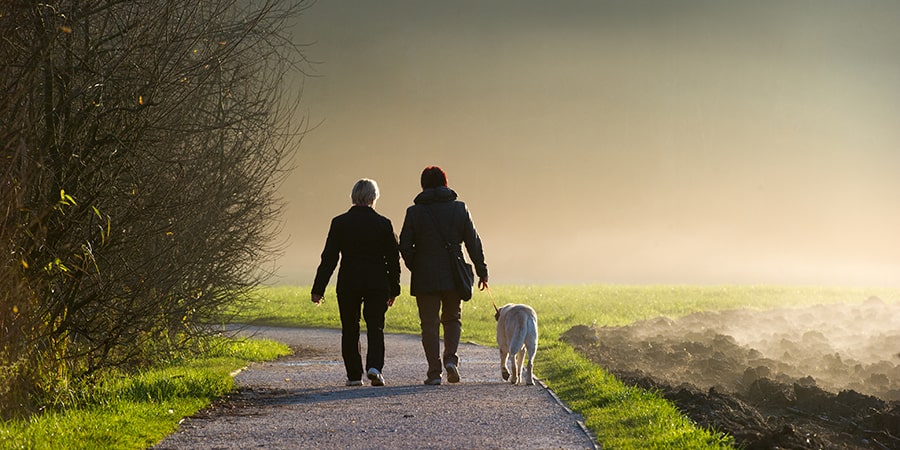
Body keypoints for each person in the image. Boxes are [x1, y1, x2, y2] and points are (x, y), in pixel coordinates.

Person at [399, 166, 488, 385]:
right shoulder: (460, 208)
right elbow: (473, 242)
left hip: (425, 275)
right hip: (454, 273)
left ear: (423, 185)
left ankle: (434, 372)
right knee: (452, 318)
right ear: (445, 183)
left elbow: (404, 245)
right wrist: (481, 270)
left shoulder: (414, 212)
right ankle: (450, 359)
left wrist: (416, 265)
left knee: (429, 324)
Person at [311, 178, 401, 386]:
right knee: (375, 326)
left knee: (350, 328)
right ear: (373, 197)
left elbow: (330, 258)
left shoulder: (339, 223)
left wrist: (318, 289)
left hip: (349, 282)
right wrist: (394, 288)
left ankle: (353, 375)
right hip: (377, 282)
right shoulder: (384, 224)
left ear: (353, 197)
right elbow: (393, 260)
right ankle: (374, 368)